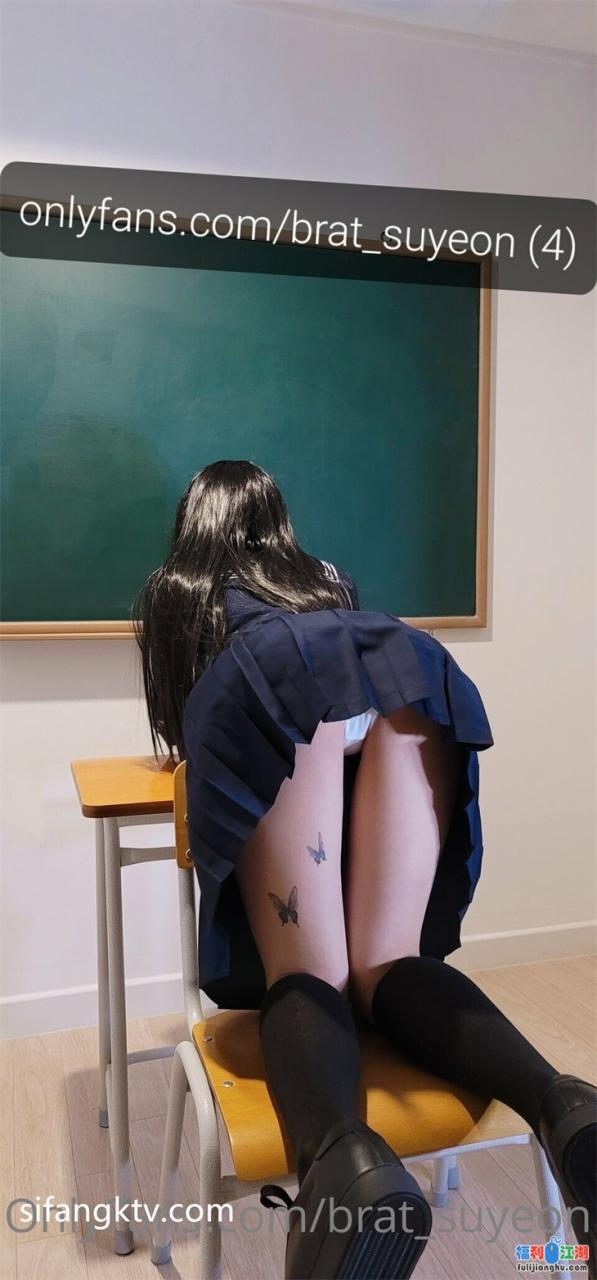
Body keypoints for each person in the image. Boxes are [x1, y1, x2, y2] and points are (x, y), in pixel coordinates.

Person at [133, 459, 596, 1280]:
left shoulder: (176, 587)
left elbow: (185, 736)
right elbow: (340, 690)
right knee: (387, 959)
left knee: (309, 971)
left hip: (271, 684)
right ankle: (563, 1104)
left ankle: (342, 1163)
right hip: (409, 667)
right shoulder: (323, 577)